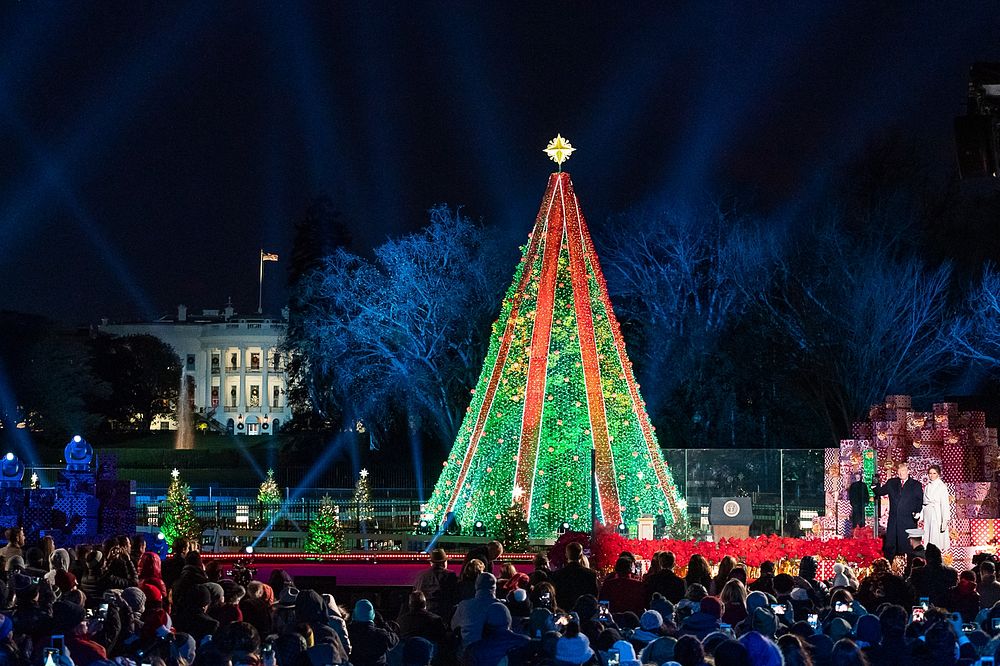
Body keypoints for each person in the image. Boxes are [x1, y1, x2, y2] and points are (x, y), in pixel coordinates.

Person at [873, 462, 923, 559]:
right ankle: (890, 568)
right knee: (891, 545)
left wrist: (917, 513)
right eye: (899, 471)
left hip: (908, 521)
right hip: (894, 521)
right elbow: (879, 492)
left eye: (903, 470)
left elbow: (919, 500)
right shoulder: (892, 482)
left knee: (906, 546)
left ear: (908, 471)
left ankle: (907, 568)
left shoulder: (916, 484)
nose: (901, 473)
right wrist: (875, 482)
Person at [549, 542, 599, 612]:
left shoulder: (557, 575)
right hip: (584, 612)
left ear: (566, 555)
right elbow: (594, 596)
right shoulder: (590, 574)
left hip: (564, 612)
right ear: (581, 555)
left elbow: (554, 597)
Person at [413, 548, 458, 620]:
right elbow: (455, 596)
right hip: (444, 615)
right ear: (444, 562)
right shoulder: (450, 575)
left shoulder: (421, 575)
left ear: (431, 563)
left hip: (424, 615)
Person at [919, 465, 950, 552]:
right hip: (928, 514)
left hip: (937, 514)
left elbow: (945, 504)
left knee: (936, 537)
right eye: (930, 473)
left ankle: (936, 557)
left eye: (934, 473)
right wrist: (920, 515)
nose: (931, 475)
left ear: (938, 474)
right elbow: (924, 504)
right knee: (928, 536)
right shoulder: (927, 486)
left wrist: (945, 520)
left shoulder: (941, 486)